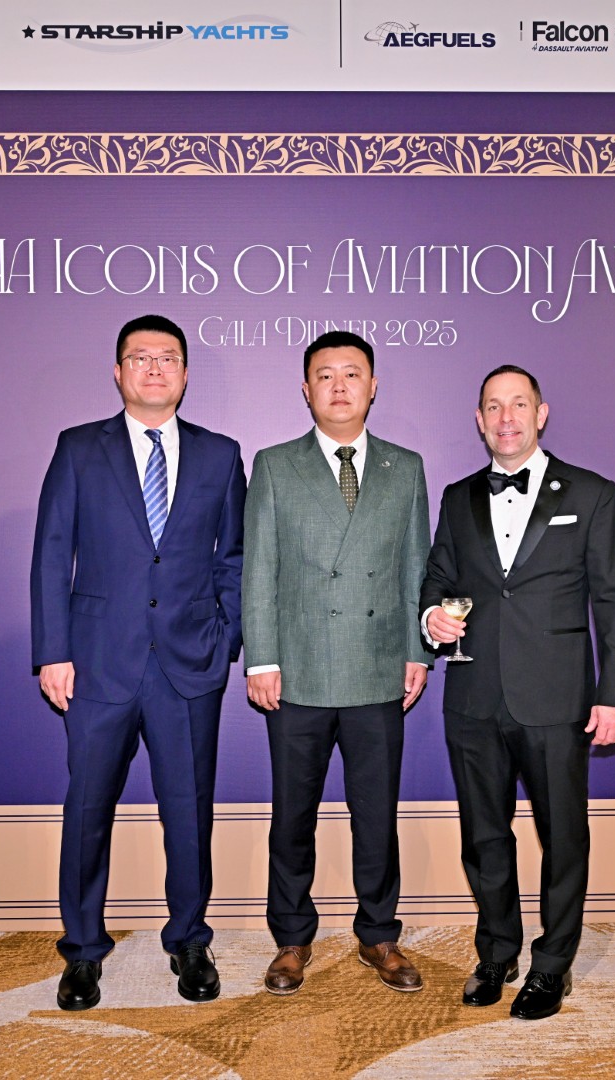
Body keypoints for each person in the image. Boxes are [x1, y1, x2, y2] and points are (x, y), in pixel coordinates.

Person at [31, 314, 245, 1011]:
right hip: (98, 665)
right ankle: (82, 950)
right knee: (87, 809)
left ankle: (190, 939)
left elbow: (235, 558)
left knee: (189, 810)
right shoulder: (78, 448)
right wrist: (53, 651)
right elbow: (51, 553)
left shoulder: (220, 455)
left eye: (168, 358)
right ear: (119, 371)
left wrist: (225, 638)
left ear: (185, 373)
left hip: (189, 665)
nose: (155, 369)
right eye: (140, 357)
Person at [421, 364, 615, 1021]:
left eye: (518, 404)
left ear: (541, 414)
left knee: (563, 836)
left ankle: (552, 965)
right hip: (473, 696)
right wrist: (431, 617)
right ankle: (496, 953)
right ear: (479, 419)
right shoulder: (458, 497)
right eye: (494, 406)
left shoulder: (594, 493)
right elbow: (438, 578)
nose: (506, 417)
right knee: (484, 836)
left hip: (557, 698)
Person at [242, 331, 431, 995]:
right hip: (297, 671)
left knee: (375, 814)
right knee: (292, 815)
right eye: (326, 375)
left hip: (378, 669)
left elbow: (416, 568)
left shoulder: (405, 467)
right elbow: (259, 569)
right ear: (306, 389)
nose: (340, 386)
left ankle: (379, 934)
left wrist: (417, 650)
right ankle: (292, 938)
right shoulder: (274, 465)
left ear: (373, 386)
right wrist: (261, 658)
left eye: (353, 373)